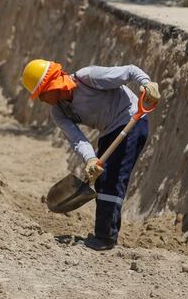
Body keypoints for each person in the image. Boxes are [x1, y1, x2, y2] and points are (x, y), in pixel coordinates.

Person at [21, 59, 160, 250]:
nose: (41, 100)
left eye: (42, 94)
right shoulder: (58, 112)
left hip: (132, 121)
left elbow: (129, 71)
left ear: (53, 85)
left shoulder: (88, 77)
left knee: (113, 179)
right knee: (102, 181)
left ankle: (105, 238)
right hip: (109, 131)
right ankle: (106, 234)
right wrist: (90, 159)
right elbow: (77, 139)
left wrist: (146, 83)